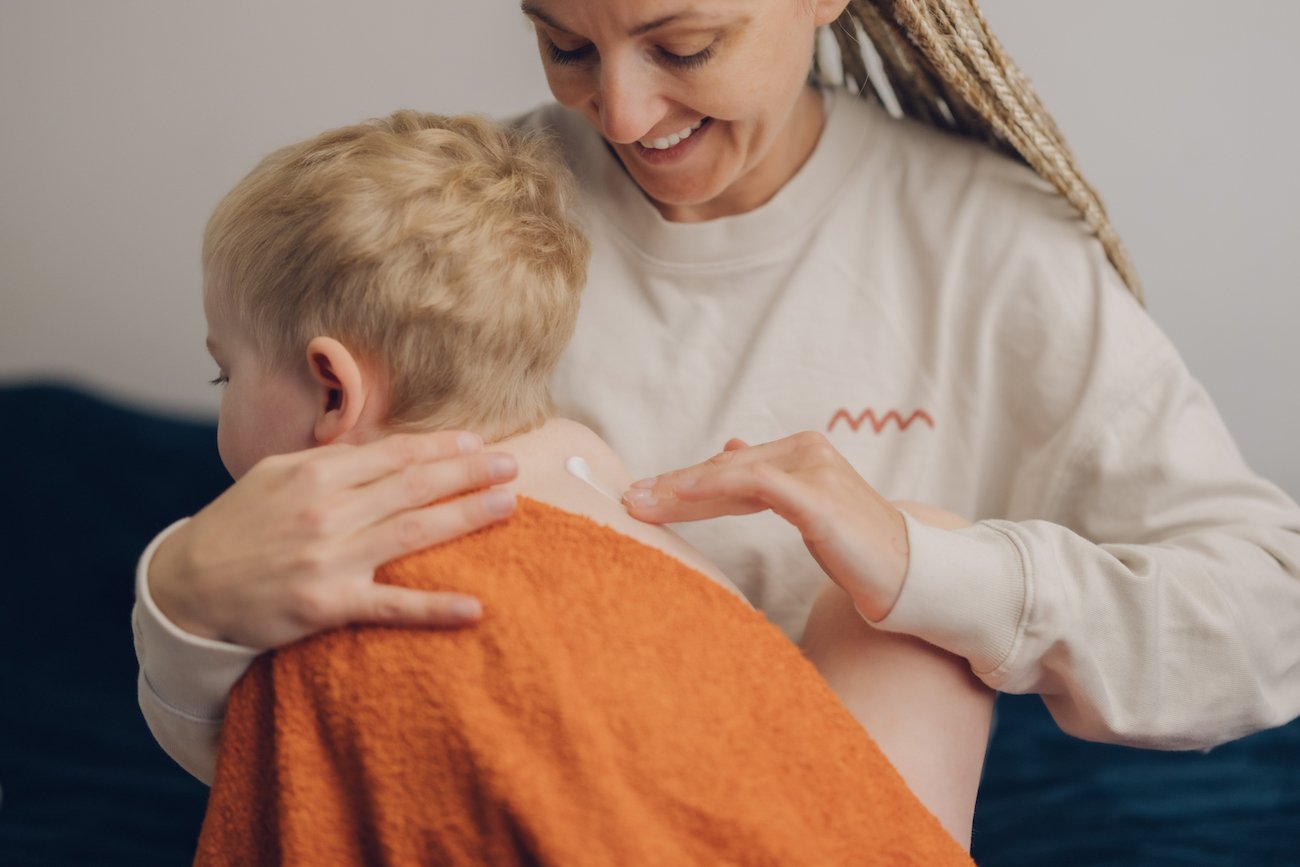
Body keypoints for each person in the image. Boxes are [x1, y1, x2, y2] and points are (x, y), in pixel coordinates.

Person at [135, 0, 1300, 822]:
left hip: (813, 812)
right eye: (564, 44)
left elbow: (1267, 616)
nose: (625, 114)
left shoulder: (992, 254)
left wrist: (929, 573)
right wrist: (186, 608)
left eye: (682, 44)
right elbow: (325, 738)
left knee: (895, 631)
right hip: (529, 804)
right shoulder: (465, 235)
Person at [181, 108, 984, 863]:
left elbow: (251, 766)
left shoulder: (347, 601)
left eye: (226, 372)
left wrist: (189, 598)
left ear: (333, 391)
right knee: (926, 560)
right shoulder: (609, 491)